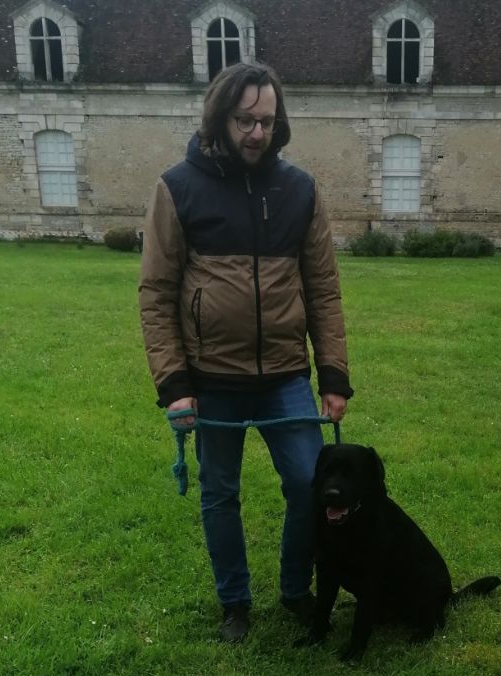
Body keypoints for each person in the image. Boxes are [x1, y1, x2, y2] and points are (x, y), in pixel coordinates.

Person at [139, 62, 352, 643]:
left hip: (285, 376)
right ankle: (235, 603)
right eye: (244, 120)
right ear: (220, 118)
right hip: (211, 381)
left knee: (310, 485)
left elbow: (324, 289)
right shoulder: (177, 188)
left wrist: (332, 374)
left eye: (266, 121)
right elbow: (157, 294)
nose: (257, 132)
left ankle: (293, 590)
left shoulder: (301, 190)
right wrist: (175, 383)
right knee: (220, 494)